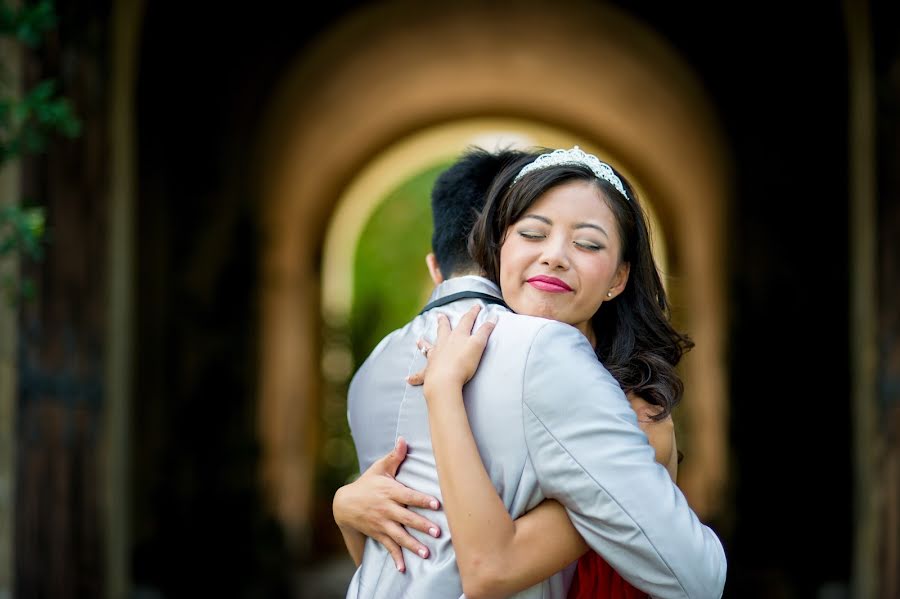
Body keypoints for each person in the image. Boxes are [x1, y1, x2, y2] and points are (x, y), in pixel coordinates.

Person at [334, 146, 726, 598]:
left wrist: (443, 391)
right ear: (497, 250)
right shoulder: (492, 357)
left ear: (618, 279)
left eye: (588, 244)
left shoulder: (632, 417)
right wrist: (347, 511)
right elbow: (416, 565)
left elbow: (488, 569)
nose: (555, 256)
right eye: (533, 234)